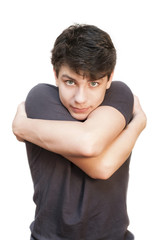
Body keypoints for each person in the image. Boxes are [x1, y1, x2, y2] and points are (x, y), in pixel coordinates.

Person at [12, 24, 146, 240]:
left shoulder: (119, 93)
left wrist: (22, 126)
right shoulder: (41, 97)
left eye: (94, 83)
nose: (80, 98)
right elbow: (91, 148)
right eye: (70, 82)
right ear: (55, 75)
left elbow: (95, 156)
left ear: (109, 78)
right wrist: (137, 122)